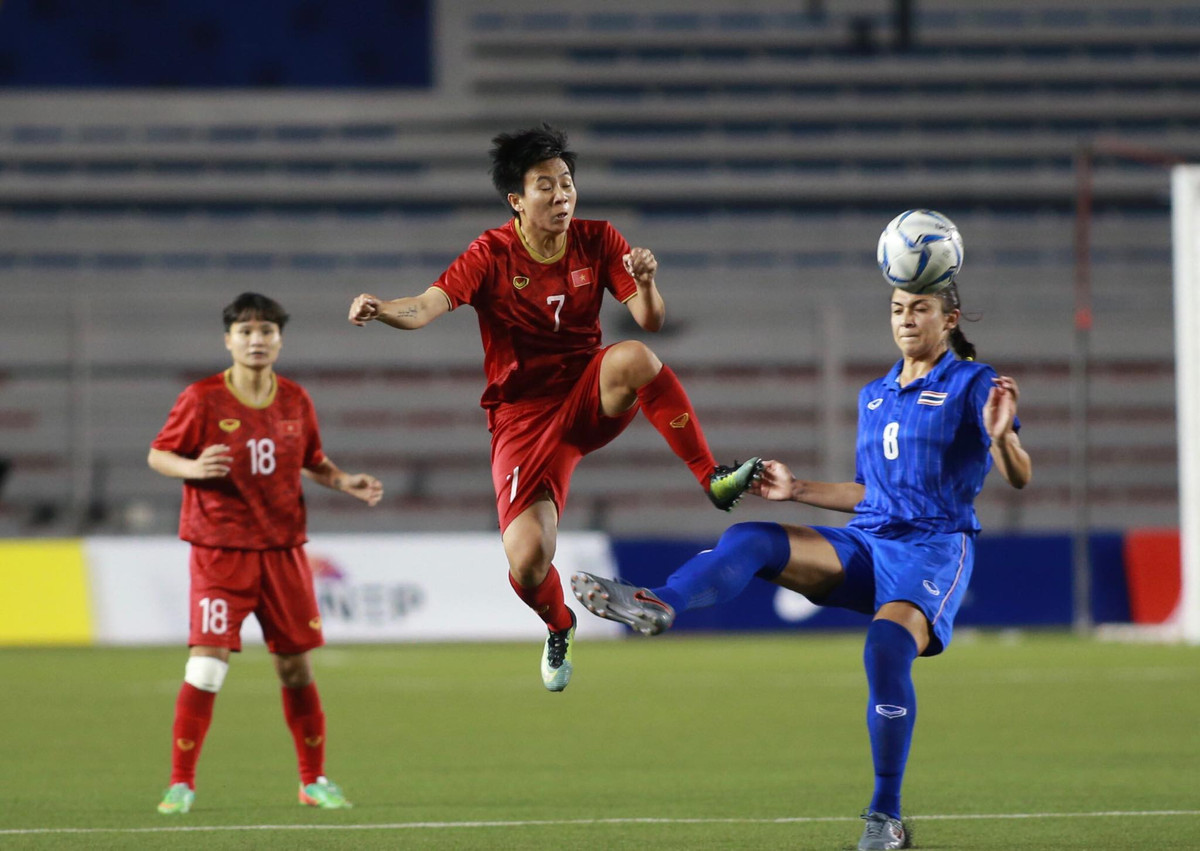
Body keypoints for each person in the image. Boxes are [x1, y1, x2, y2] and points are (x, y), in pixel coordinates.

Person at [572, 278, 1032, 850]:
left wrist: (1003, 441)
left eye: (921, 309)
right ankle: (662, 602)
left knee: (885, 650)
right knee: (751, 537)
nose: (907, 319)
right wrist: (797, 489)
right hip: (869, 541)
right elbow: (871, 494)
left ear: (950, 318)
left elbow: (1018, 475)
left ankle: (884, 818)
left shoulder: (973, 383)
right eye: (897, 309)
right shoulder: (875, 394)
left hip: (932, 549)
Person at [347, 123, 761, 693]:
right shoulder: (489, 254)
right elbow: (424, 307)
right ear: (516, 199)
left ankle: (711, 476)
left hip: (586, 392)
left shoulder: (598, 238)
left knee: (635, 356)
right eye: (546, 185)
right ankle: (559, 623)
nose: (562, 194)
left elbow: (650, 320)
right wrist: (381, 309)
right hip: (521, 419)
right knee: (529, 561)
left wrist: (647, 284)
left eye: (567, 181)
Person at [149, 292, 383, 815]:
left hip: (282, 552)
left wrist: (346, 482)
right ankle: (180, 784)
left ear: (279, 340)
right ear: (228, 339)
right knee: (206, 669)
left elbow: (314, 461)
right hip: (220, 551)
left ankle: (313, 780)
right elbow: (159, 453)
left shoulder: (295, 399)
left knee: (295, 670)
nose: (257, 340)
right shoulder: (202, 398)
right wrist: (191, 469)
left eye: (267, 331)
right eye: (246, 331)